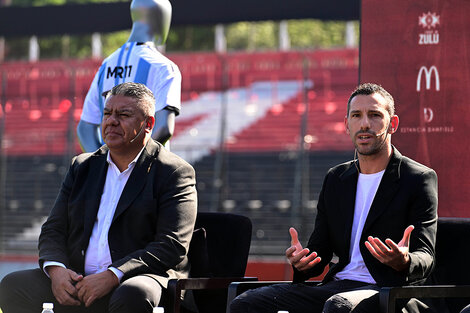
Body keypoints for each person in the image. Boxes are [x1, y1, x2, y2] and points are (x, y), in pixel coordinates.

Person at [230, 83, 438, 313]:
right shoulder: (337, 178)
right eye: (356, 116)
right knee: (245, 303)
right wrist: (303, 262)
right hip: (338, 286)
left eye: (375, 115)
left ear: (393, 124)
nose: (365, 124)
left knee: (338, 306)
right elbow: (321, 249)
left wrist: (404, 260)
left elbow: (426, 257)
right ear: (347, 124)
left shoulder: (418, 178)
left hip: (387, 292)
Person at [0, 82, 197, 313]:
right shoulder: (82, 166)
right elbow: (54, 229)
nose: (111, 121)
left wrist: (114, 274)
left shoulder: (173, 171)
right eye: (107, 113)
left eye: (123, 114)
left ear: (148, 124)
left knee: (134, 294)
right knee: (12, 285)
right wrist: (57, 270)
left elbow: (171, 245)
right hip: (78, 279)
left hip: (138, 278)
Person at [77, 0, 181, 151]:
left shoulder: (106, 65)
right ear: (162, 19)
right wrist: (131, 165)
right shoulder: (163, 67)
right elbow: (164, 127)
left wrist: (104, 166)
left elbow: (85, 128)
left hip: (110, 171)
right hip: (149, 172)